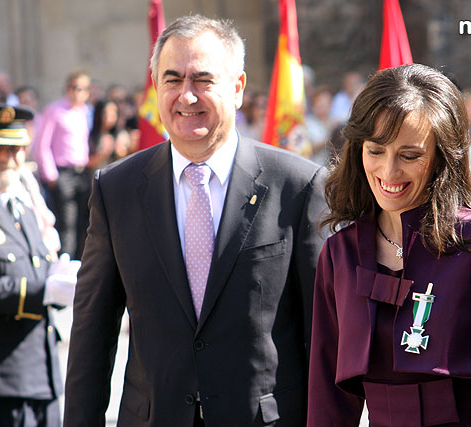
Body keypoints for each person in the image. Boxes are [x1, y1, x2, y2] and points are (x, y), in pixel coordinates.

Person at [63, 15, 327, 426]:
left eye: (203, 80)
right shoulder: (116, 190)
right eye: (172, 80)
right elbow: (91, 333)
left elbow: (323, 333)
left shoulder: (297, 185)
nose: (186, 96)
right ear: (156, 87)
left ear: (237, 88)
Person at [307, 64, 471, 426]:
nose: (389, 172)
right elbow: (326, 400)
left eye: (409, 155)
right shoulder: (340, 254)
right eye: (376, 150)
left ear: (443, 156)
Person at [0, 105, 80, 427]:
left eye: (16, 149)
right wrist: (43, 291)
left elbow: (39, 265)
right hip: (0, 377)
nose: (7, 158)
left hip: (43, 371)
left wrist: (58, 278)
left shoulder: (24, 202)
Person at [32, 70, 91, 259]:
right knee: (67, 222)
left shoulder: (85, 111)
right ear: (67, 88)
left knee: (83, 222)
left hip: (82, 172)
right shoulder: (54, 110)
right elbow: (42, 145)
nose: (78, 92)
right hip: (62, 172)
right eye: (75, 88)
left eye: (83, 89)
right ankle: (66, 262)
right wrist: (51, 176)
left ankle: (80, 261)